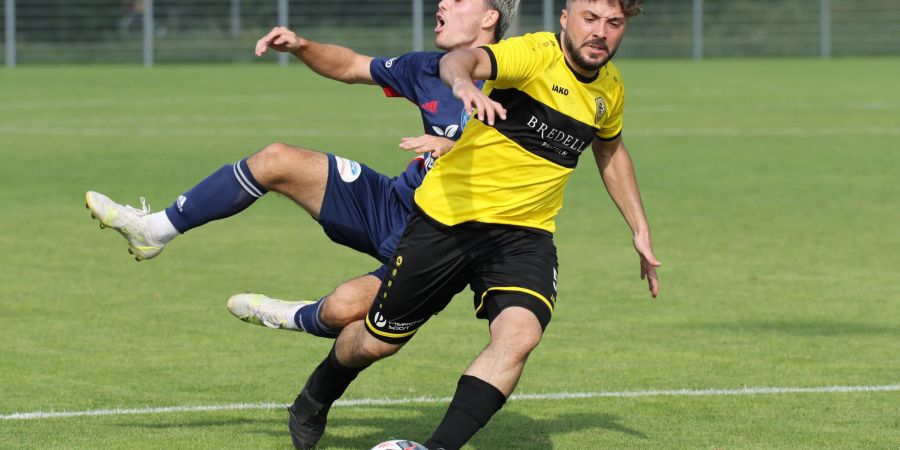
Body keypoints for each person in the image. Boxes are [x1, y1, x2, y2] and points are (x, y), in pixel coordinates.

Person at [285, 0, 660, 449]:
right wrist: (463, 82)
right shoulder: (533, 54)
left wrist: (638, 226)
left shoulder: (610, 90)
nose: (600, 32)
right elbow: (466, 59)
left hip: (524, 236)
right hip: (447, 221)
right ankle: (315, 396)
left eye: (613, 23)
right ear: (565, 18)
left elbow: (609, 150)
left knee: (520, 335)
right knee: (377, 342)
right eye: (590, 19)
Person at [86, 0, 520, 339]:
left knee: (343, 308)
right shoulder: (426, 68)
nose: (441, 6)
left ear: (489, 18)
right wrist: (302, 46)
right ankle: (155, 230)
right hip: (395, 203)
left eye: (458, 2)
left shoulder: (524, 83)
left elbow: (531, 162)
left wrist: (452, 146)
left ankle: (290, 316)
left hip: (445, 242)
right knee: (276, 158)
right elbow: (351, 65)